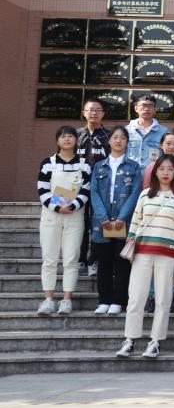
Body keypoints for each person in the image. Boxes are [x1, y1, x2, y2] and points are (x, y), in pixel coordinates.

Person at [116, 155, 174, 358]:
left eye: (170, 169)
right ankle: (130, 340)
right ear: (155, 171)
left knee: (163, 299)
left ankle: (155, 341)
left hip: (168, 253)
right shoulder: (145, 195)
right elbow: (135, 222)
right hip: (142, 252)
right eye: (162, 169)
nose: (166, 173)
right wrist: (130, 247)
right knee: (136, 297)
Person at [37, 126, 92, 315]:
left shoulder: (85, 165)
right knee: (49, 259)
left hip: (75, 217)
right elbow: (42, 189)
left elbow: (86, 189)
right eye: (63, 136)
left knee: (71, 259)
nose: (67, 139)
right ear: (57, 140)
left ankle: (67, 300)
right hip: (51, 216)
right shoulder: (48, 163)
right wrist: (57, 207)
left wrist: (73, 205)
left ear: (76, 140)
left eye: (70, 136)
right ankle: (48, 300)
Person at [89, 126, 143, 315]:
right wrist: (102, 217)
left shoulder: (133, 166)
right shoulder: (99, 166)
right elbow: (94, 192)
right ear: (109, 141)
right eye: (115, 137)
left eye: (122, 138)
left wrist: (122, 216)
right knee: (104, 262)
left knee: (121, 263)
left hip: (123, 222)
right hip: (102, 223)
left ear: (127, 142)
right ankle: (104, 300)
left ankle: (119, 301)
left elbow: (135, 193)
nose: (119, 141)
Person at [76, 98, 110, 277]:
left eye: (98, 110)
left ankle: (95, 260)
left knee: (98, 224)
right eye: (90, 109)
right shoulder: (75, 135)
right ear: (84, 113)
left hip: (102, 188)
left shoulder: (109, 135)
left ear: (103, 113)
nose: (94, 113)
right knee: (80, 224)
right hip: (78, 187)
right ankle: (80, 258)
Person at [125, 94, 168, 166]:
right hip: (130, 172)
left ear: (155, 110)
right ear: (136, 108)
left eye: (150, 106)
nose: (147, 109)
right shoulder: (126, 130)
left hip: (153, 172)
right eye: (143, 105)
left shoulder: (164, 132)